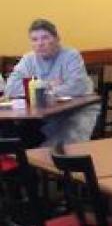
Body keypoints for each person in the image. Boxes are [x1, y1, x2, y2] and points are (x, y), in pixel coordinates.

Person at [4, 18, 99, 146]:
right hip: (42, 114)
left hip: (75, 112)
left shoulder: (71, 56)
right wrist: (49, 84)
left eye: (45, 38)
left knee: (60, 147)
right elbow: (10, 89)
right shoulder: (28, 59)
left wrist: (36, 89)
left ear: (57, 39)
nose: (40, 44)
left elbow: (77, 87)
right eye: (34, 39)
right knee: (13, 132)